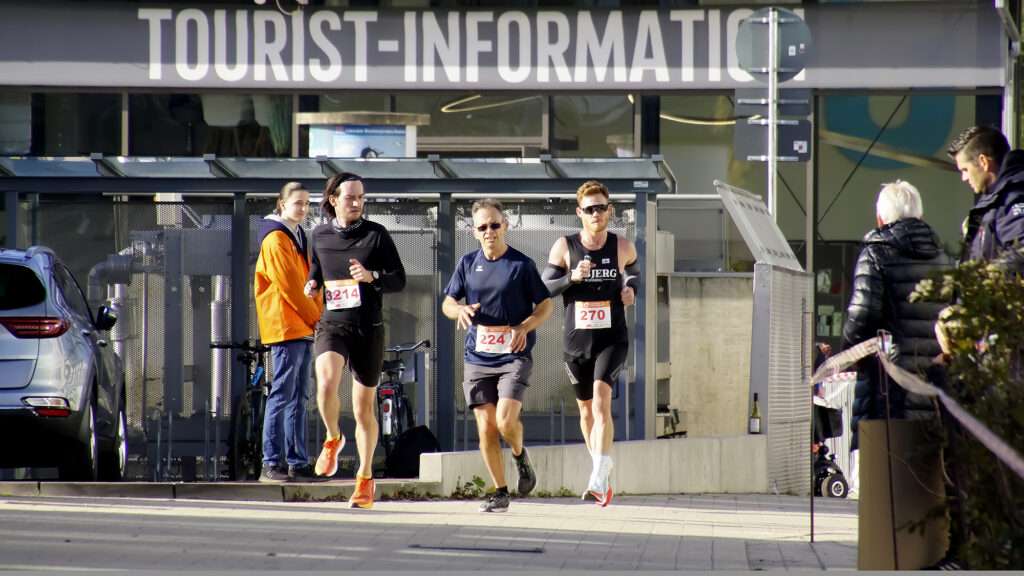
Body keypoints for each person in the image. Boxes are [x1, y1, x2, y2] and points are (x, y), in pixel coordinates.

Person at [304, 172, 407, 508]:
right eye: (350, 197)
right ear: (333, 199)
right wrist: (312, 283)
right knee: (325, 384)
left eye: (361, 197)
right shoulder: (318, 235)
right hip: (332, 324)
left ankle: (364, 478)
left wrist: (372, 276)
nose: (357, 203)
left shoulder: (376, 235)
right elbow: (317, 267)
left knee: (363, 410)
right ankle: (333, 437)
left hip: (368, 328)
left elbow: (398, 280)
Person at [442, 198, 552, 513]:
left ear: (505, 226)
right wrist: (459, 309)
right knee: (486, 427)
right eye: (482, 227)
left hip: (513, 356)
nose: (489, 231)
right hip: (477, 358)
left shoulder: (521, 265)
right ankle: (500, 492)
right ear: (474, 232)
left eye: (494, 224)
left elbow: (545, 305)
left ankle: (519, 455)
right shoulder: (467, 263)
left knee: (505, 421)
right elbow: (448, 303)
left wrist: (525, 326)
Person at [541, 181, 638, 506]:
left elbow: (635, 273)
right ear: (579, 212)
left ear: (610, 210)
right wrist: (572, 277)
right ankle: (601, 466)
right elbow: (545, 289)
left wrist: (631, 290)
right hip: (576, 343)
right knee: (585, 412)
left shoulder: (622, 246)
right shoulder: (564, 247)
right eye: (590, 209)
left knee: (600, 402)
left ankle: (597, 478)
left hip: (612, 338)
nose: (596, 213)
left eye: (602, 207)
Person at [838, 180, 954, 452]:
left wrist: (850, 355)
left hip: (888, 386)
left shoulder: (876, 254)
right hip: (935, 382)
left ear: (880, 219)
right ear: (921, 218)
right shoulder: (947, 260)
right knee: (928, 475)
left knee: (885, 476)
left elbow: (861, 317)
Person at [254, 182, 324, 483]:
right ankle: (272, 463)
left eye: (308, 203)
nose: (304, 208)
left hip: (300, 326)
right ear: (281, 204)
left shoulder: (295, 235)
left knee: (299, 395)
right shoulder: (276, 238)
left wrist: (313, 318)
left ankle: (296, 462)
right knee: (284, 394)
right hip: (287, 326)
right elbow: (291, 287)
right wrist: (317, 318)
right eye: (298, 203)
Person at [947, 125, 1024, 262]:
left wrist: (985, 276)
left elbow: (1021, 255)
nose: (964, 178)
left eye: (965, 169)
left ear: (983, 162)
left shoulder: (1012, 197)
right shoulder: (996, 200)